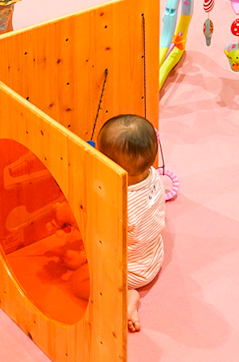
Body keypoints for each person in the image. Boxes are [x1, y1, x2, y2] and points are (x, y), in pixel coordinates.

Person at [58, 114, 166, 332]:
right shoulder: (153, 175)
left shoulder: (117, 201)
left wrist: (70, 217)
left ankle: (126, 296)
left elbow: (99, 237)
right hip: (154, 257)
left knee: (77, 283)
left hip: (130, 273)